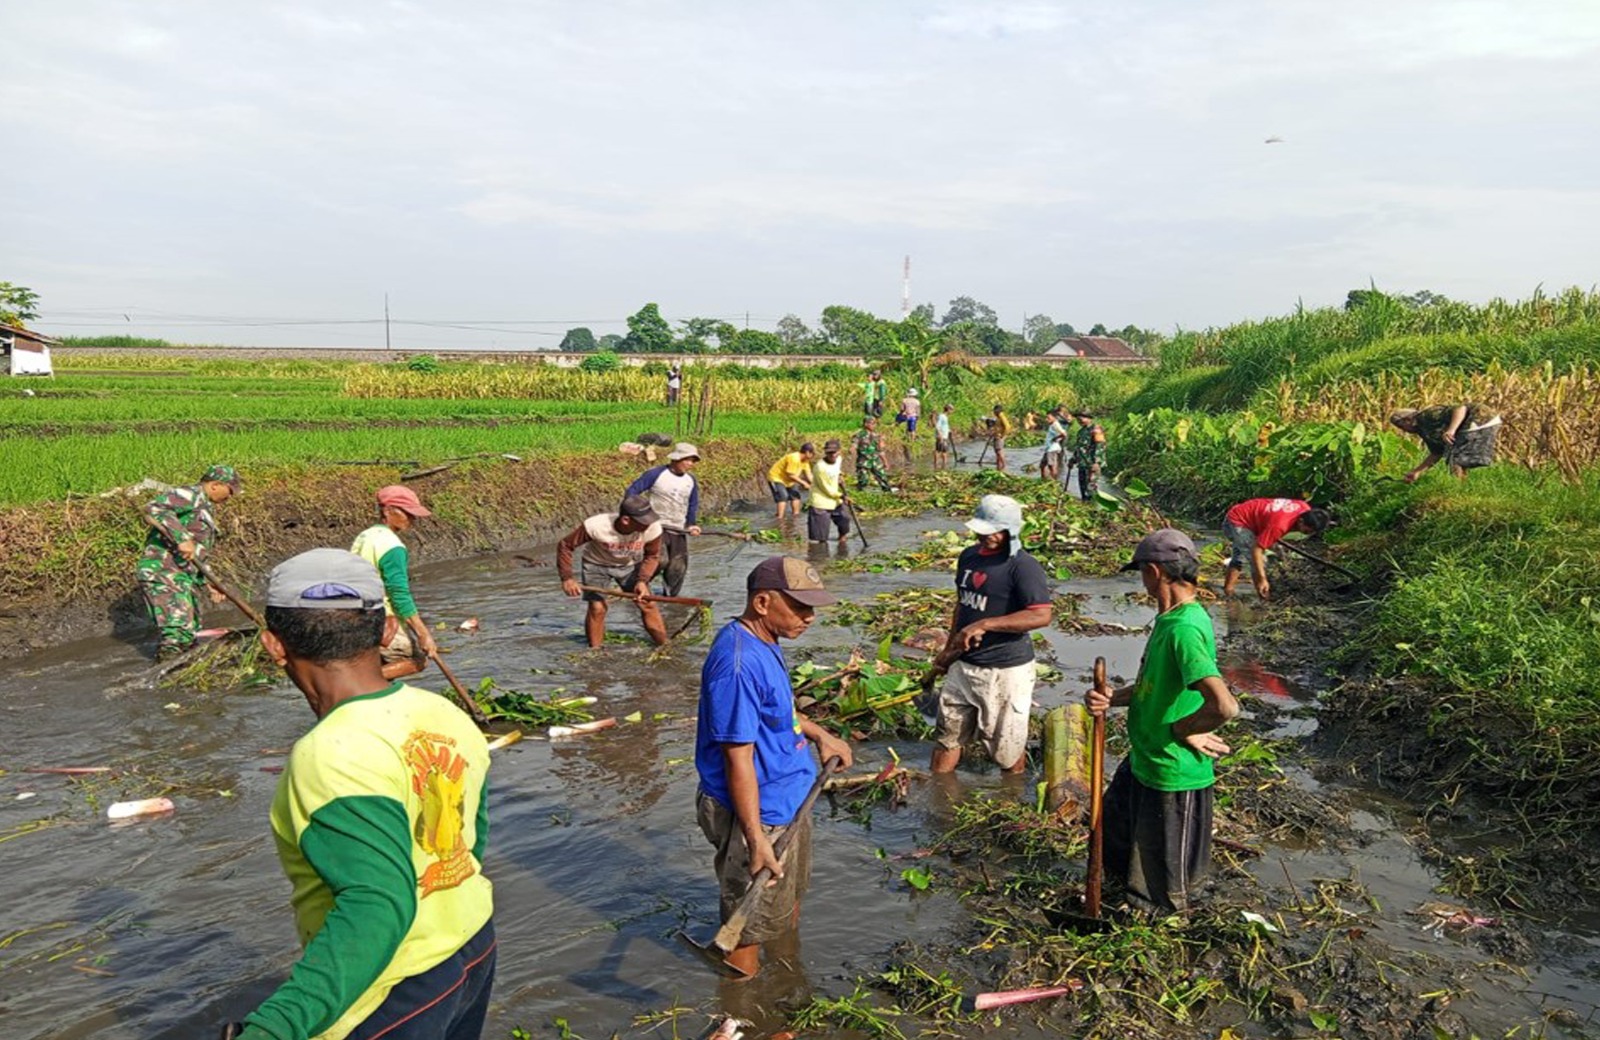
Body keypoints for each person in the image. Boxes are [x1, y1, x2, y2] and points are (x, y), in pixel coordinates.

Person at [228, 548, 495, 1040]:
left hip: (393, 987)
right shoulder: (444, 714)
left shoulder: (327, 754)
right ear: (388, 630)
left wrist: (271, 1030)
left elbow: (377, 904)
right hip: (472, 944)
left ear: (272, 645)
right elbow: (470, 839)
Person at [694, 556, 853, 977]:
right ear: (763, 602)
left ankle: (784, 974)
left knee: (782, 903)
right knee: (747, 925)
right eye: (800, 607)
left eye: (812, 607)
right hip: (759, 813)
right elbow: (738, 757)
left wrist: (819, 734)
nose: (810, 618)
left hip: (787, 799)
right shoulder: (738, 664)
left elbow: (777, 713)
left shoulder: (765, 642)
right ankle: (743, 1009)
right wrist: (754, 838)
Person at [1087, 529, 1238, 912]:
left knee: (1165, 892)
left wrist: (1184, 729)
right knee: (1114, 847)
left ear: (1154, 572)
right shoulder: (1170, 619)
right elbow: (1158, 685)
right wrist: (1114, 698)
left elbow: (1223, 705)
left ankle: (1162, 933)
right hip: (1144, 759)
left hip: (1171, 772)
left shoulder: (1185, 629)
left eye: (1141, 572)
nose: (1141, 581)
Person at [925, 495, 1053, 774]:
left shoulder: (1023, 566)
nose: (987, 537)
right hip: (964, 666)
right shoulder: (969, 557)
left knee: (1006, 751)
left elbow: (1041, 615)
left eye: (995, 531)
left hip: (1005, 670)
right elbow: (963, 605)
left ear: (1011, 531)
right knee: (947, 738)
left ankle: (1011, 800)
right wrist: (948, 652)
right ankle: (937, 804)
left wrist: (986, 625)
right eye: (982, 530)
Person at [136, 463, 240, 660]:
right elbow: (153, 508)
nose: (230, 496)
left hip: (181, 576)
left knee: (189, 633)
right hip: (163, 572)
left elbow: (197, 553)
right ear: (216, 485)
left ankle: (181, 672)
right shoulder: (190, 495)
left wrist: (209, 582)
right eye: (230, 490)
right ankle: (163, 678)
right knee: (176, 634)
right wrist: (182, 537)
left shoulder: (204, 507)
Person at [350, 485, 440, 681]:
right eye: (407, 513)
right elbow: (399, 593)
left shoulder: (365, 536)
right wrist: (423, 633)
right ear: (388, 511)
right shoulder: (393, 547)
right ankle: (358, 683)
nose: (412, 519)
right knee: (416, 661)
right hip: (380, 616)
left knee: (377, 663)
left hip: (353, 612)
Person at [557, 494, 668, 648]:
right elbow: (565, 546)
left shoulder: (653, 528)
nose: (649, 524)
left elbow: (652, 556)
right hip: (596, 564)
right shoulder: (596, 526)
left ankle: (664, 646)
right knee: (597, 608)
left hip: (630, 564)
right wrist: (567, 578)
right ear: (626, 520)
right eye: (644, 522)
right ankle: (595, 652)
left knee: (647, 603)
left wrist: (642, 580)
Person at [625, 442, 702, 597]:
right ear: (676, 459)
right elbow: (632, 492)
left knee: (678, 567)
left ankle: (670, 598)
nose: (690, 464)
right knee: (660, 560)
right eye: (687, 460)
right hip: (656, 527)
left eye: (693, 461)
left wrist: (692, 524)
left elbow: (692, 504)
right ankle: (637, 584)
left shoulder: (690, 481)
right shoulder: (656, 474)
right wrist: (637, 516)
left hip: (677, 528)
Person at [1221, 497, 1331, 600]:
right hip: (1238, 521)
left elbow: (1275, 520)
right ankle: (1263, 597)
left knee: (1241, 557)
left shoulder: (1304, 507)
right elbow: (1256, 550)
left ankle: (1228, 591)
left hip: (1248, 515)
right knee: (1259, 562)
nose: (1306, 534)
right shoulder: (1280, 525)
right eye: (1307, 531)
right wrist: (1262, 578)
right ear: (1301, 521)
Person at [1390, 403, 1502, 482]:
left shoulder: (1426, 415)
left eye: (1400, 426)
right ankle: (1461, 488)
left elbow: (1460, 408)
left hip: (1480, 417)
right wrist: (1417, 472)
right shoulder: (1424, 431)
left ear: (1407, 420)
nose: (1403, 430)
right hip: (1480, 424)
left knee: (1456, 459)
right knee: (1455, 458)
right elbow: (1436, 453)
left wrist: (1451, 430)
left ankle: (1457, 492)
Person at [807, 440, 851, 544]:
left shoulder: (839, 459)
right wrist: (842, 496)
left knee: (844, 519)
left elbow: (836, 469)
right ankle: (821, 558)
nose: (832, 455)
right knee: (821, 537)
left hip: (835, 501)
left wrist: (840, 476)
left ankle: (842, 541)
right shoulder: (820, 467)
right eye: (829, 453)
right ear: (825, 453)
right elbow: (826, 489)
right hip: (821, 501)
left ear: (839, 452)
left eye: (834, 452)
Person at [766, 443, 816, 520]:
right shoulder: (794, 458)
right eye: (812, 453)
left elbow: (809, 475)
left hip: (789, 480)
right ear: (807, 452)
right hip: (776, 478)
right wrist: (803, 483)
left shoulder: (805, 461)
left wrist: (815, 486)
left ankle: (795, 516)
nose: (813, 456)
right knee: (783, 497)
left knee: (795, 495)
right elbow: (790, 475)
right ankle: (780, 518)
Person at [1070, 410, 1107, 502]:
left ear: (1090, 418)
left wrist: (1096, 462)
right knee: (1083, 487)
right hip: (1082, 463)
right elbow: (1079, 447)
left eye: (1083, 417)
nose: (1080, 419)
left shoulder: (1096, 429)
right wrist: (1073, 459)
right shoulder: (1081, 431)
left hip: (1092, 464)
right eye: (1078, 418)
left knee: (1091, 487)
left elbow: (1100, 446)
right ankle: (1085, 505)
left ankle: (1093, 509)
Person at [851, 417, 893, 492]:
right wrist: (852, 449)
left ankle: (887, 492)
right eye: (872, 423)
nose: (874, 425)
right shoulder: (859, 435)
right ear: (866, 424)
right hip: (864, 461)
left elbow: (880, 450)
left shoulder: (877, 436)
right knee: (863, 480)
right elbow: (854, 444)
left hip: (875, 461)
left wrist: (885, 462)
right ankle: (860, 493)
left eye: (875, 423)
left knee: (883, 478)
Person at [1040, 408, 1067, 481]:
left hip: (1052, 449)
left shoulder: (1056, 425)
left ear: (1054, 417)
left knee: (1051, 466)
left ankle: (1054, 482)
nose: (1046, 419)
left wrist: (1056, 438)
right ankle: (1043, 480)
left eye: (1048, 418)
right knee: (1042, 465)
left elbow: (1064, 434)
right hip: (1049, 448)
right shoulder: (1052, 424)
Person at [990, 404, 1013, 472]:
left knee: (999, 451)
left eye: (994, 411)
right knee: (997, 452)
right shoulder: (999, 417)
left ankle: (1003, 465)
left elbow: (1008, 427)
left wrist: (1002, 435)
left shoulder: (1002, 416)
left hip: (999, 437)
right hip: (997, 436)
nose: (994, 412)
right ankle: (999, 466)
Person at [933, 405, 956, 470]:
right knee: (939, 450)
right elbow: (937, 426)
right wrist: (940, 436)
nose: (952, 411)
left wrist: (949, 430)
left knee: (943, 450)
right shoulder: (942, 416)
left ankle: (943, 465)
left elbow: (944, 426)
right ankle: (938, 464)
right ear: (948, 409)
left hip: (944, 436)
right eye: (952, 410)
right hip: (941, 436)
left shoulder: (945, 417)